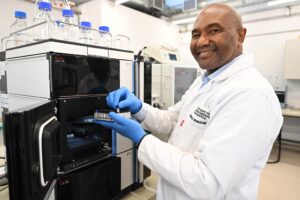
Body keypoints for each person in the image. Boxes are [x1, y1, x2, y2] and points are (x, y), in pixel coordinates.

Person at [95, 3, 283, 200]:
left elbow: (206, 180)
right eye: (195, 34)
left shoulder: (249, 94)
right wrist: (140, 108)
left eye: (214, 30)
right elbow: (174, 122)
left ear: (241, 35)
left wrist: (142, 139)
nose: (202, 41)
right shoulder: (204, 81)